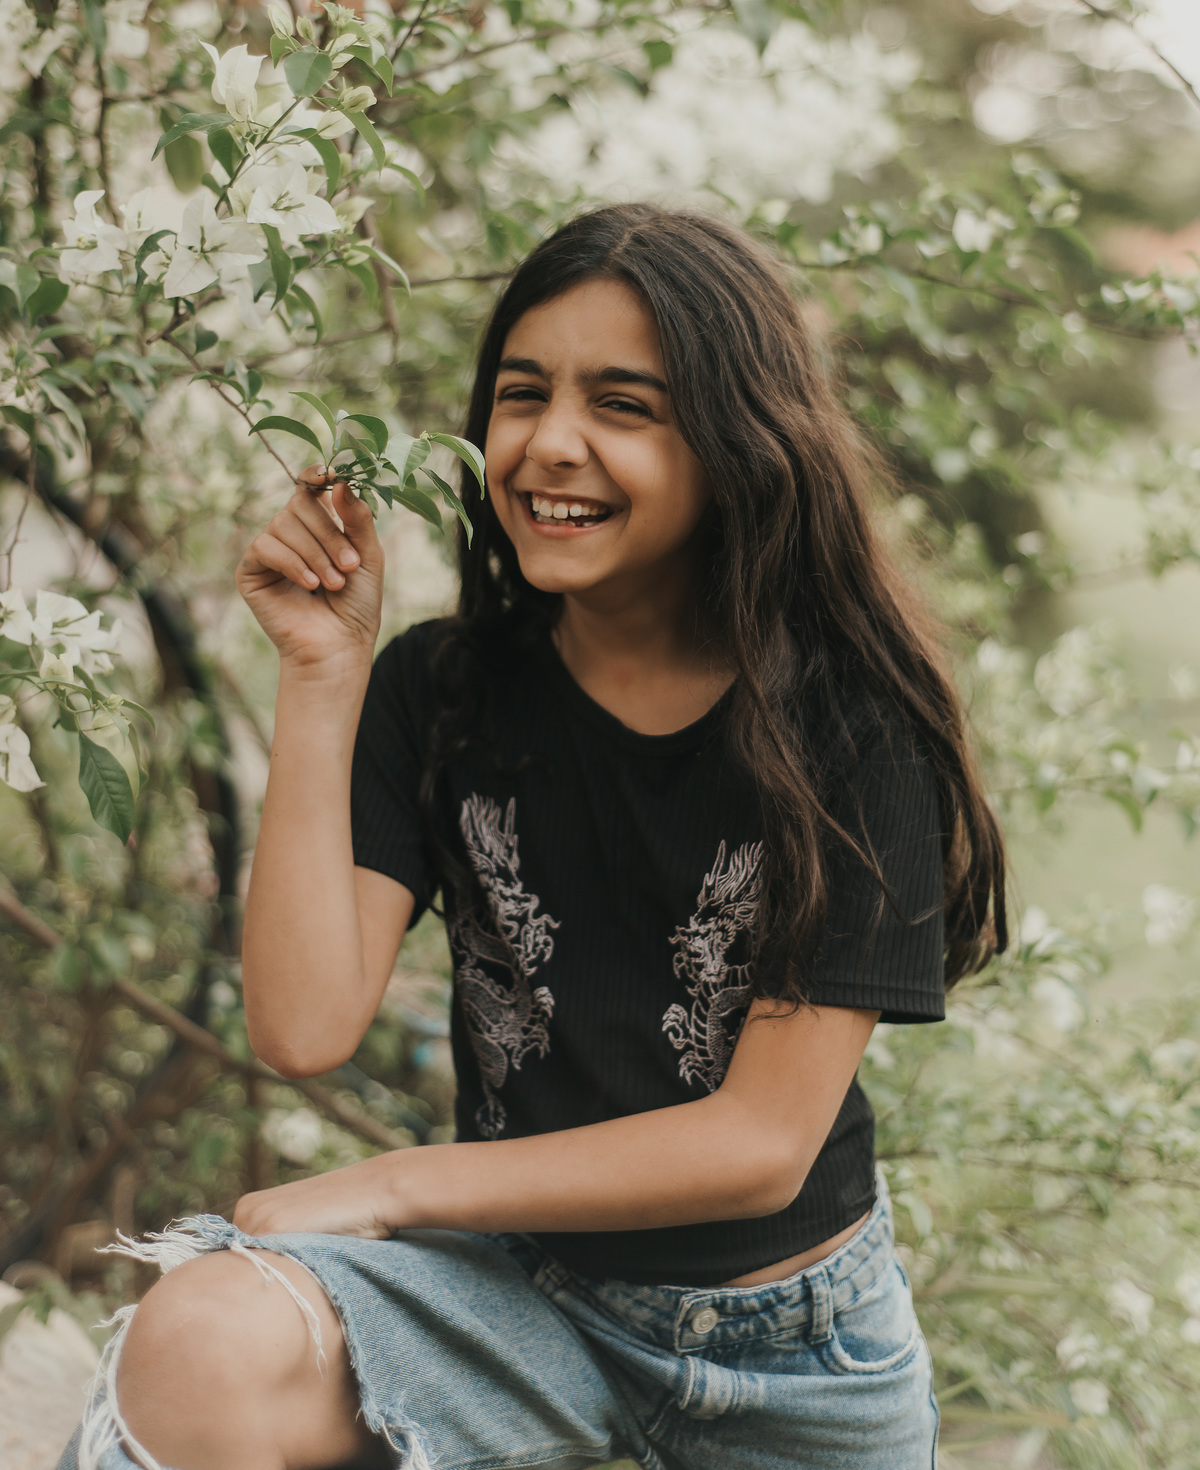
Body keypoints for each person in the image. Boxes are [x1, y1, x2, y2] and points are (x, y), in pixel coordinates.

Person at [65, 203, 1006, 1470]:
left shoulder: (851, 727)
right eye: (522, 393)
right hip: (513, 1301)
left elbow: (757, 1146)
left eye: (625, 405)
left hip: (789, 1353)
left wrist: (394, 1184)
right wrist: (321, 677)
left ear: (737, 443)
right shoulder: (442, 689)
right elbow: (301, 1026)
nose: (552, 443)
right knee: (199, 1338)